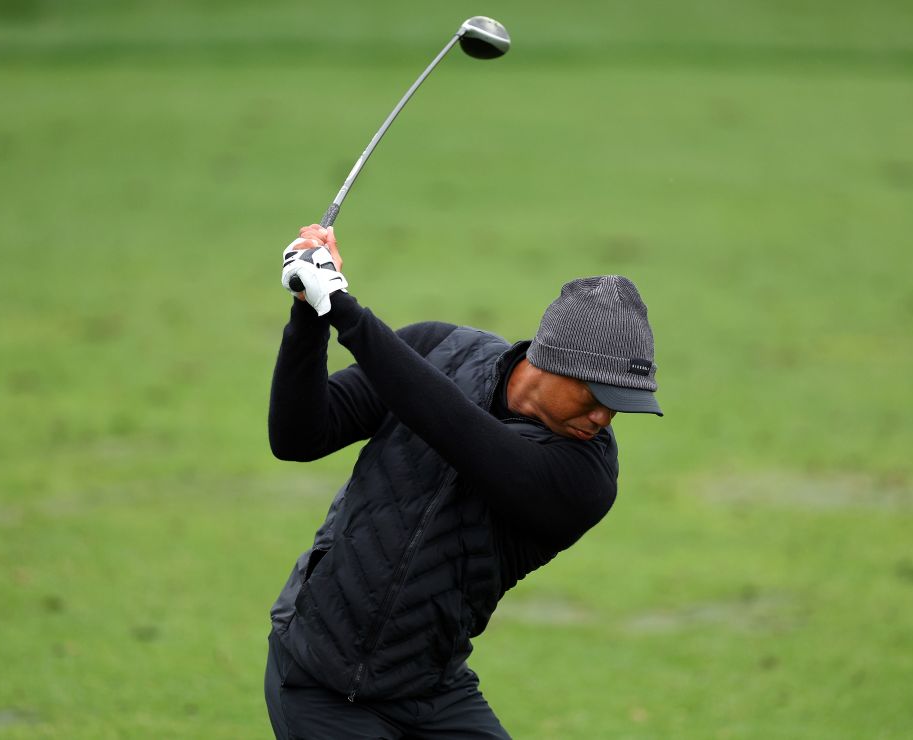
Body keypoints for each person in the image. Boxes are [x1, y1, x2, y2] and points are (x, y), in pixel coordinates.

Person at [264, 223, 661, 739]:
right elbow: (297, 436)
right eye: (600, 397)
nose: (605, 418)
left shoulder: (586, 476)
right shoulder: (439, 348)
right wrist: (310, 307)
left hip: (432, 691)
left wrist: (345, 310)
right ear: (554, 362)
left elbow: (460, 433)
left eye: (622, 406)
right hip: (319, 675)